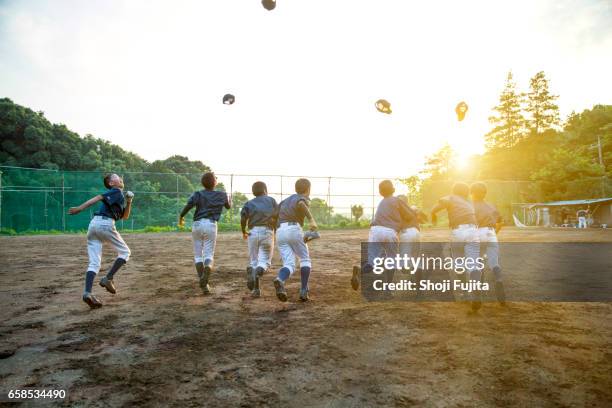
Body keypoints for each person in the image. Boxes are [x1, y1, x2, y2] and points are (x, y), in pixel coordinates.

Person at [68, 173, 133, 309]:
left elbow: (125, 216)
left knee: (94, 263)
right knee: (125, 252)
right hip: (105, 224)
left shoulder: (117, 196)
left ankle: (87, 293)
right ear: (111, 183)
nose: (120, 178)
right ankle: (108, 278)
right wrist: (80, 208)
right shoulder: (116, 191)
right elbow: (98, 197)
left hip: (93, 226)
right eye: (116, 177)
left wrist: (129, 201)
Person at [351, 181, 417, 292]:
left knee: (372, 263)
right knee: (391, 260)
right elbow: (410, 216)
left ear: (380, 192)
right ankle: (387, 288)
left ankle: (359, 270)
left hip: (375, 231)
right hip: (390, 232)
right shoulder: (397, 200)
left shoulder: (382, 203)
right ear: (394, 189)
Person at [430, 182, 482, 312]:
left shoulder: (451, 197)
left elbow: (440, 204)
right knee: (473, 264)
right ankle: (475, 291)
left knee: (459, 263)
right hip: (473, 230)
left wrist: (433, 213)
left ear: (454, 191)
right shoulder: (468, 202)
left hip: (458, 232)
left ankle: (465, 293)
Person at [179, 172, 231, 295]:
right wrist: (229, 199)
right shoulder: (222, 194)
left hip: (197, 224)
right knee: (209, 254)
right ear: (215, 182)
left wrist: (181, 216)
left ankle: (204, 286)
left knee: (198, 255)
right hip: (211, 224)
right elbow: (228, 207)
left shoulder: (198, 194)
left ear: (203, 183)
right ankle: (208, 268)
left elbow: (189, 205)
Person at [273, 178, 318, 302]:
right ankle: (303, 291)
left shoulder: (284, 201)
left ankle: (280, 279)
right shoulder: (302, 198)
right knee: (305, 259)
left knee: (289, 264)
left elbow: (273, 217)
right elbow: (301, 204)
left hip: (280, 231)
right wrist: (311, 220)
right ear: (308, 189)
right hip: (294, 228)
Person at [240, 181, 278, 298]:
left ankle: (256, 290)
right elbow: (277, 216)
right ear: (265, 190)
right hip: (267, 231)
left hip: (252, 231)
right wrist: (276, 231)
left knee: (254, 262)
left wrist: (243, 231)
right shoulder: (271, 200)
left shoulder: (249, 203)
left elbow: (243, 218)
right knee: (264, 262)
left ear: (253, 192)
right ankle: (255, 283)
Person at [470, 182, 506, 305]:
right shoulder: (491, 206)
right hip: (491, 233)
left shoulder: (470, 206)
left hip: (478, 233)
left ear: (471, 193)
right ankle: (498, 279)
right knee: (494, 263)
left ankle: (477, 294)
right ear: (485, 193)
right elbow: (500, 222)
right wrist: (493, 234)